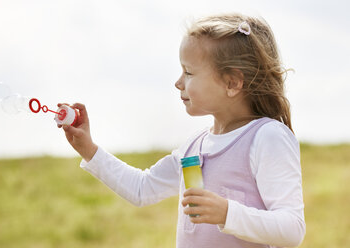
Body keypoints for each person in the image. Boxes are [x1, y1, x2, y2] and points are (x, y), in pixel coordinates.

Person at [59, 13, 305, 248]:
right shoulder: (193, 146)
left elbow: (292, 229)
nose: (178, 82)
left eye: (188, 72)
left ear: (232, 83)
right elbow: (141, 189)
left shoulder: (268, 137)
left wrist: (227, 213)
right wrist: (88, 149)